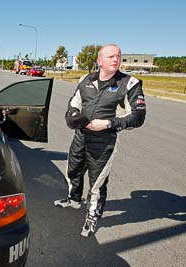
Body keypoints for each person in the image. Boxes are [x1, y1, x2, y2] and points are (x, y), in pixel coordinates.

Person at [53, 44, 146, 237]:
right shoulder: (85, 79)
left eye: (118, 56)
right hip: (81, 136)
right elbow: (73, 104)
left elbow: (138, 116)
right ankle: (74, 199)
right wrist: (73, 118)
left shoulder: (129, 83)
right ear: (99, 61)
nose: (115, 59)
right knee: (73, 170)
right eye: (111, 56)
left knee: (97, 183)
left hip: (104, 141)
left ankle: (92, 217)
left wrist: (107, 124)